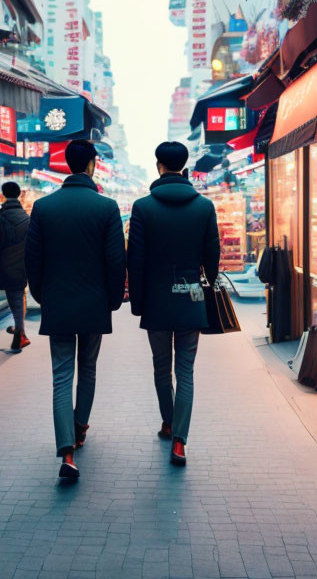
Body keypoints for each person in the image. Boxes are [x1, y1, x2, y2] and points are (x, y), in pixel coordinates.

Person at [25, 139, 126, 480]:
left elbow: (33, 260)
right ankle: (80, 427)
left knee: (61, 374)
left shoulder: (43, 207)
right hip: (95, 301)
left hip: (58, 301)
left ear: (66, 164)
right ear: (92, 165)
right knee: (89, 367)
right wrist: (112, 300)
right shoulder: (107, 207)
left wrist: (42, 295)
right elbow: (116, 261)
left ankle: (66, 450)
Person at [126, 141, 220, 466]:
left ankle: (168, 421)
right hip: (191, 297)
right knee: (186, 370)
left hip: (156, 300)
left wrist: (138, 304)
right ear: (185, 166)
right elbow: (213, 259)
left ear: (158, 166)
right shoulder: (204, 207)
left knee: (161, 368)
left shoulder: (143, 207)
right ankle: (180, 441)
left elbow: (134, 262)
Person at [0, 181, 31, 352]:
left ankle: (20, 334)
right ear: (19, 194)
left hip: (5, 264)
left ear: (3, 194)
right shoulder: (28, 218)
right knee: (17, 297)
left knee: (15, 299)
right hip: (23, 265)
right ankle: (21, 332)